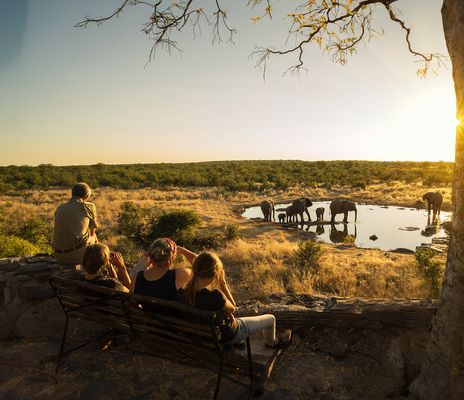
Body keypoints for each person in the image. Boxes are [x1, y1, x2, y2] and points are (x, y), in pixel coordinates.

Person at [176, 252, 290, 348]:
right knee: (270, 319)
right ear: (215, 274)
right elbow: (232, 308)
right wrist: (223, 284)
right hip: (226, 336)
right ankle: (272, 343)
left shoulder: (181, 293)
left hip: (202, 337)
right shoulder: (215, 296)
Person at [129, 238, 196, 300]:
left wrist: (149, 259)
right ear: (172, 258)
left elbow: (132, 303)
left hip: (145, 312)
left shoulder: (137, 277)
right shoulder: (180, 275)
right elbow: (203, 266)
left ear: (150, 257)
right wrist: (181, 250)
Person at [52, 182, 99, 265]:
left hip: (58, 256)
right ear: (87, 195)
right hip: (77, 256)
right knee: (94, 236)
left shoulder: (60, 207)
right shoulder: (89, 206)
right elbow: (92, 233)